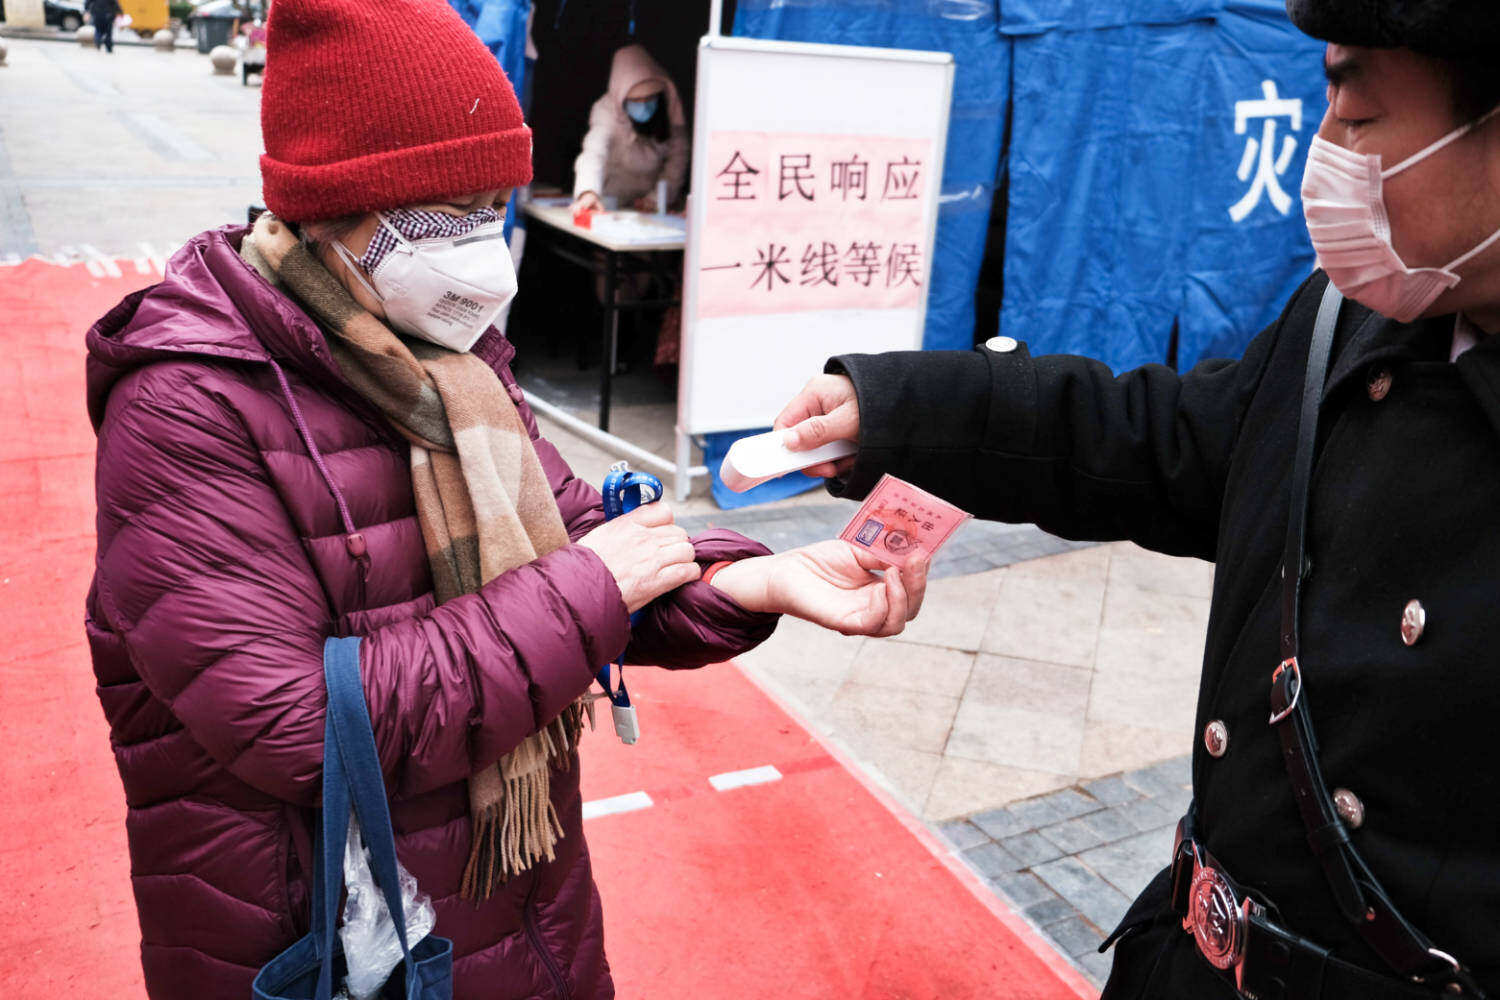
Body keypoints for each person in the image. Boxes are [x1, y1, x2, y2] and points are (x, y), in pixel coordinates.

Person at [83, 1, 928, 997]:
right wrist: (586, 587)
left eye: (495, 206)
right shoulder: (186, 405)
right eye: (451, 214)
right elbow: (294, 725)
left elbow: (575, 535)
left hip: (521, 906)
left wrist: (752, 582)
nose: (485, 246)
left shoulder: (454, 357)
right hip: (333, 938)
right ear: (335, 209)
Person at [776, 1, 1500, 997]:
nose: (1325, 150)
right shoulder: (1354, 321)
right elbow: (1163, 439)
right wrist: (898, 411)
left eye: (1363, 116)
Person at [571, 43, 688, 216]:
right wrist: (588, 192)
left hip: (649, 206)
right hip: (608, 199)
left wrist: (656, 199)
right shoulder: (606, 112)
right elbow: (593, 152)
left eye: (649, 99)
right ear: (622, 98)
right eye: (636, 101)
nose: (643, 106)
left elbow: (679, 158)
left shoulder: (670, 111)